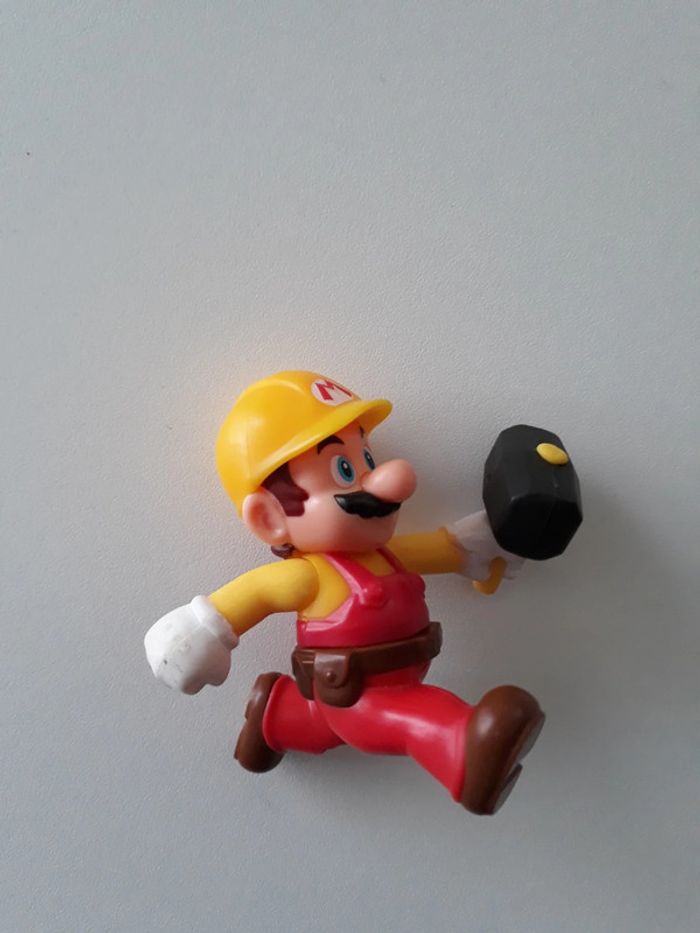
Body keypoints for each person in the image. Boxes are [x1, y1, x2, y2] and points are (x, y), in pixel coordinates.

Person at [145, 371, 544, 815]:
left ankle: (277, 714)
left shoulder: (386, 553)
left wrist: (479, 544)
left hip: (382, 679)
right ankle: (462, 748)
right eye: (344, 470)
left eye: (366, 459)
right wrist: (194, 634)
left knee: (320, 724)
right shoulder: (308, 577)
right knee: (410, 715)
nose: (383, 482)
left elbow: (443, 548)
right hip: (355, 695)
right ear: (269, 518)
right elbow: (252, 596)